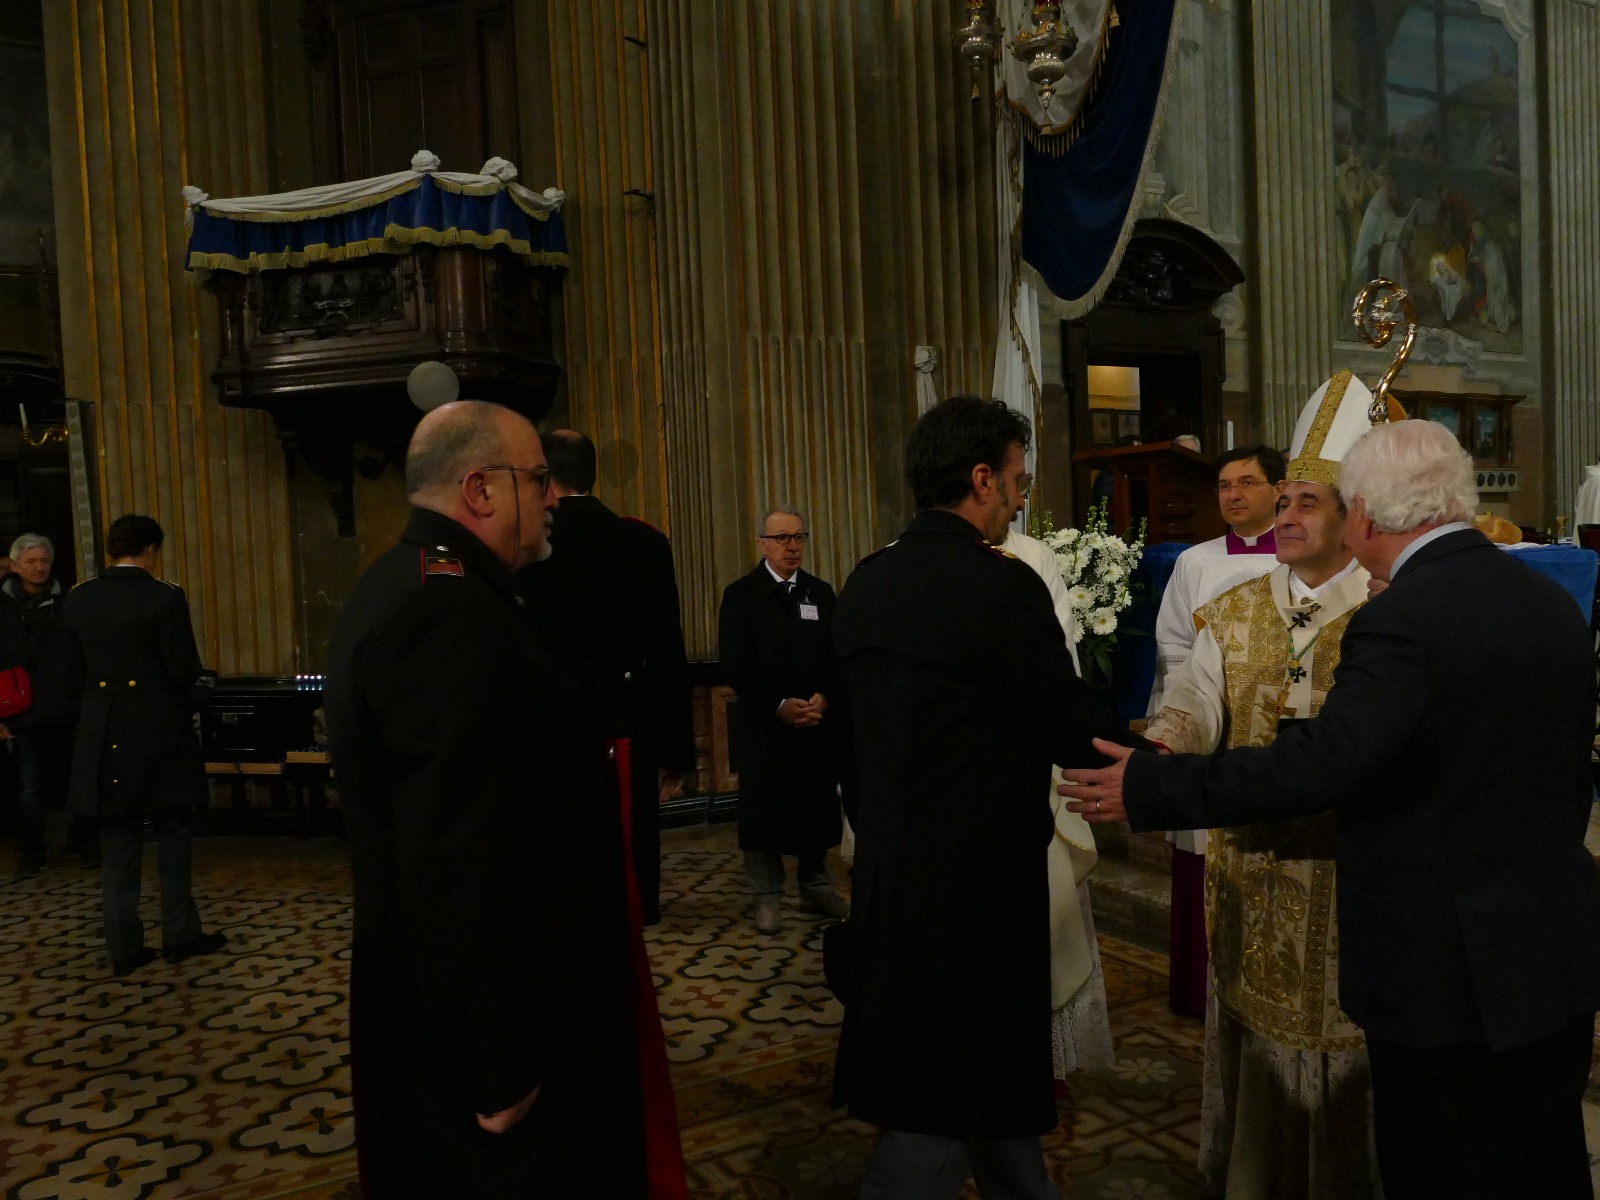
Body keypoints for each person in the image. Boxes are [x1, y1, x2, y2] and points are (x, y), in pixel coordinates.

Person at [1062, 418, 1600, 1200]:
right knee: (1543, 1159)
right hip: (1549, 949)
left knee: (1448, 1164)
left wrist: (1153, 788)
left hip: (1445, 966)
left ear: (1368, 519)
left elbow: (1327, 763)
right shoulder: (1550, 603)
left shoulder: (1401, 616)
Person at [326, 401, 684, 1198]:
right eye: (537, 480)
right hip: (499, 1037)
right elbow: (452, 855)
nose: (554, 496)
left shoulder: (445, 587)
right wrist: (497, 1065)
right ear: (480, 490)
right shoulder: (443, 613)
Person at [831, 395, 1144, 1199]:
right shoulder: (996, 588)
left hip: (894, 874)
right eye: (1015, 482)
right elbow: (1065, 724)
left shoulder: (865, 583)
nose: (1018, 499)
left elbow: (848, 745)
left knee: (981, 1089)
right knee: (940, 1108)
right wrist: (1158, 765)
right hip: (976, 891)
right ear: (979, 479)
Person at [1143, 373, 1378, 1198]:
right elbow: (1196, 694)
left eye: (1306, 503)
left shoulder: (1385, 613)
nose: (1285, 517)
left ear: (1355, 517)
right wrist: (1165, 744)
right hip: (1250, 864)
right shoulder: (1237, 608)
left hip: (1348, 875)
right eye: (1284, 504)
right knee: (1254, 1021)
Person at [517, 429, 695, 926]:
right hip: (629, 714)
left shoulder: (528, 545)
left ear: (546, 476)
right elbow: (667, 653)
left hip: (551, 722)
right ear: (593, 473)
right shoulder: (644, 542)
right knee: (630, 840)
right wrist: (675, 750)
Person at [1150, 441, 1286, 1019]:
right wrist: (1207, 704)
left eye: (1247, 483)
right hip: (1208, 727)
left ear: (1279, 490)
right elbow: (1173, 643)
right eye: (1225, 485)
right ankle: (1201, 990)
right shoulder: (1195, 561)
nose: (1233, 494)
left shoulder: (1304, 559)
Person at [61, 515, 225, 976]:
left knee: (118, 840)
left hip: (104, 733)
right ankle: (180, 935)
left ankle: (123, 948)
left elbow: (70, 671)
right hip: (158, 730)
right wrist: (200, 691)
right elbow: (181, 667)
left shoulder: (80, 597)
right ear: (152, 549)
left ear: (113, 550)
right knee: (173, 833)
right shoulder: (164, 596)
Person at [999, 488, 1115, 1083]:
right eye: (1016, 479)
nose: (1023, 495)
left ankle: (1047, 1056)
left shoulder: (1035, 556)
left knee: (1044, 914)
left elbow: (1062, 656)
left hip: (1032, 761)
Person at [718, 505, 846, 935]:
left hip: (814, 723)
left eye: (799, 537)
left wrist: (823, 699)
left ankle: (815, 885)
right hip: (765, 727)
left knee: (815, 806)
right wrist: (778, 705)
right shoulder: (741, 595)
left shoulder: (820, 593)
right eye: (782, 539)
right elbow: (737, 664)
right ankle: (768, 894)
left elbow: (837, 656)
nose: (792, 546)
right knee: (763, 811)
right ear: (762, 543)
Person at [3, 533, 95, 878]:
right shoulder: (3, 608)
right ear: (15, 566)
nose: (38, 567)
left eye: (44, 560)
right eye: (30, 561)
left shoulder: (69, 602)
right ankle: (31, 852)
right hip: (22, 710)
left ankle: (88, 843)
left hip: (67, 706)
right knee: (30, 785)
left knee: (79, 779)